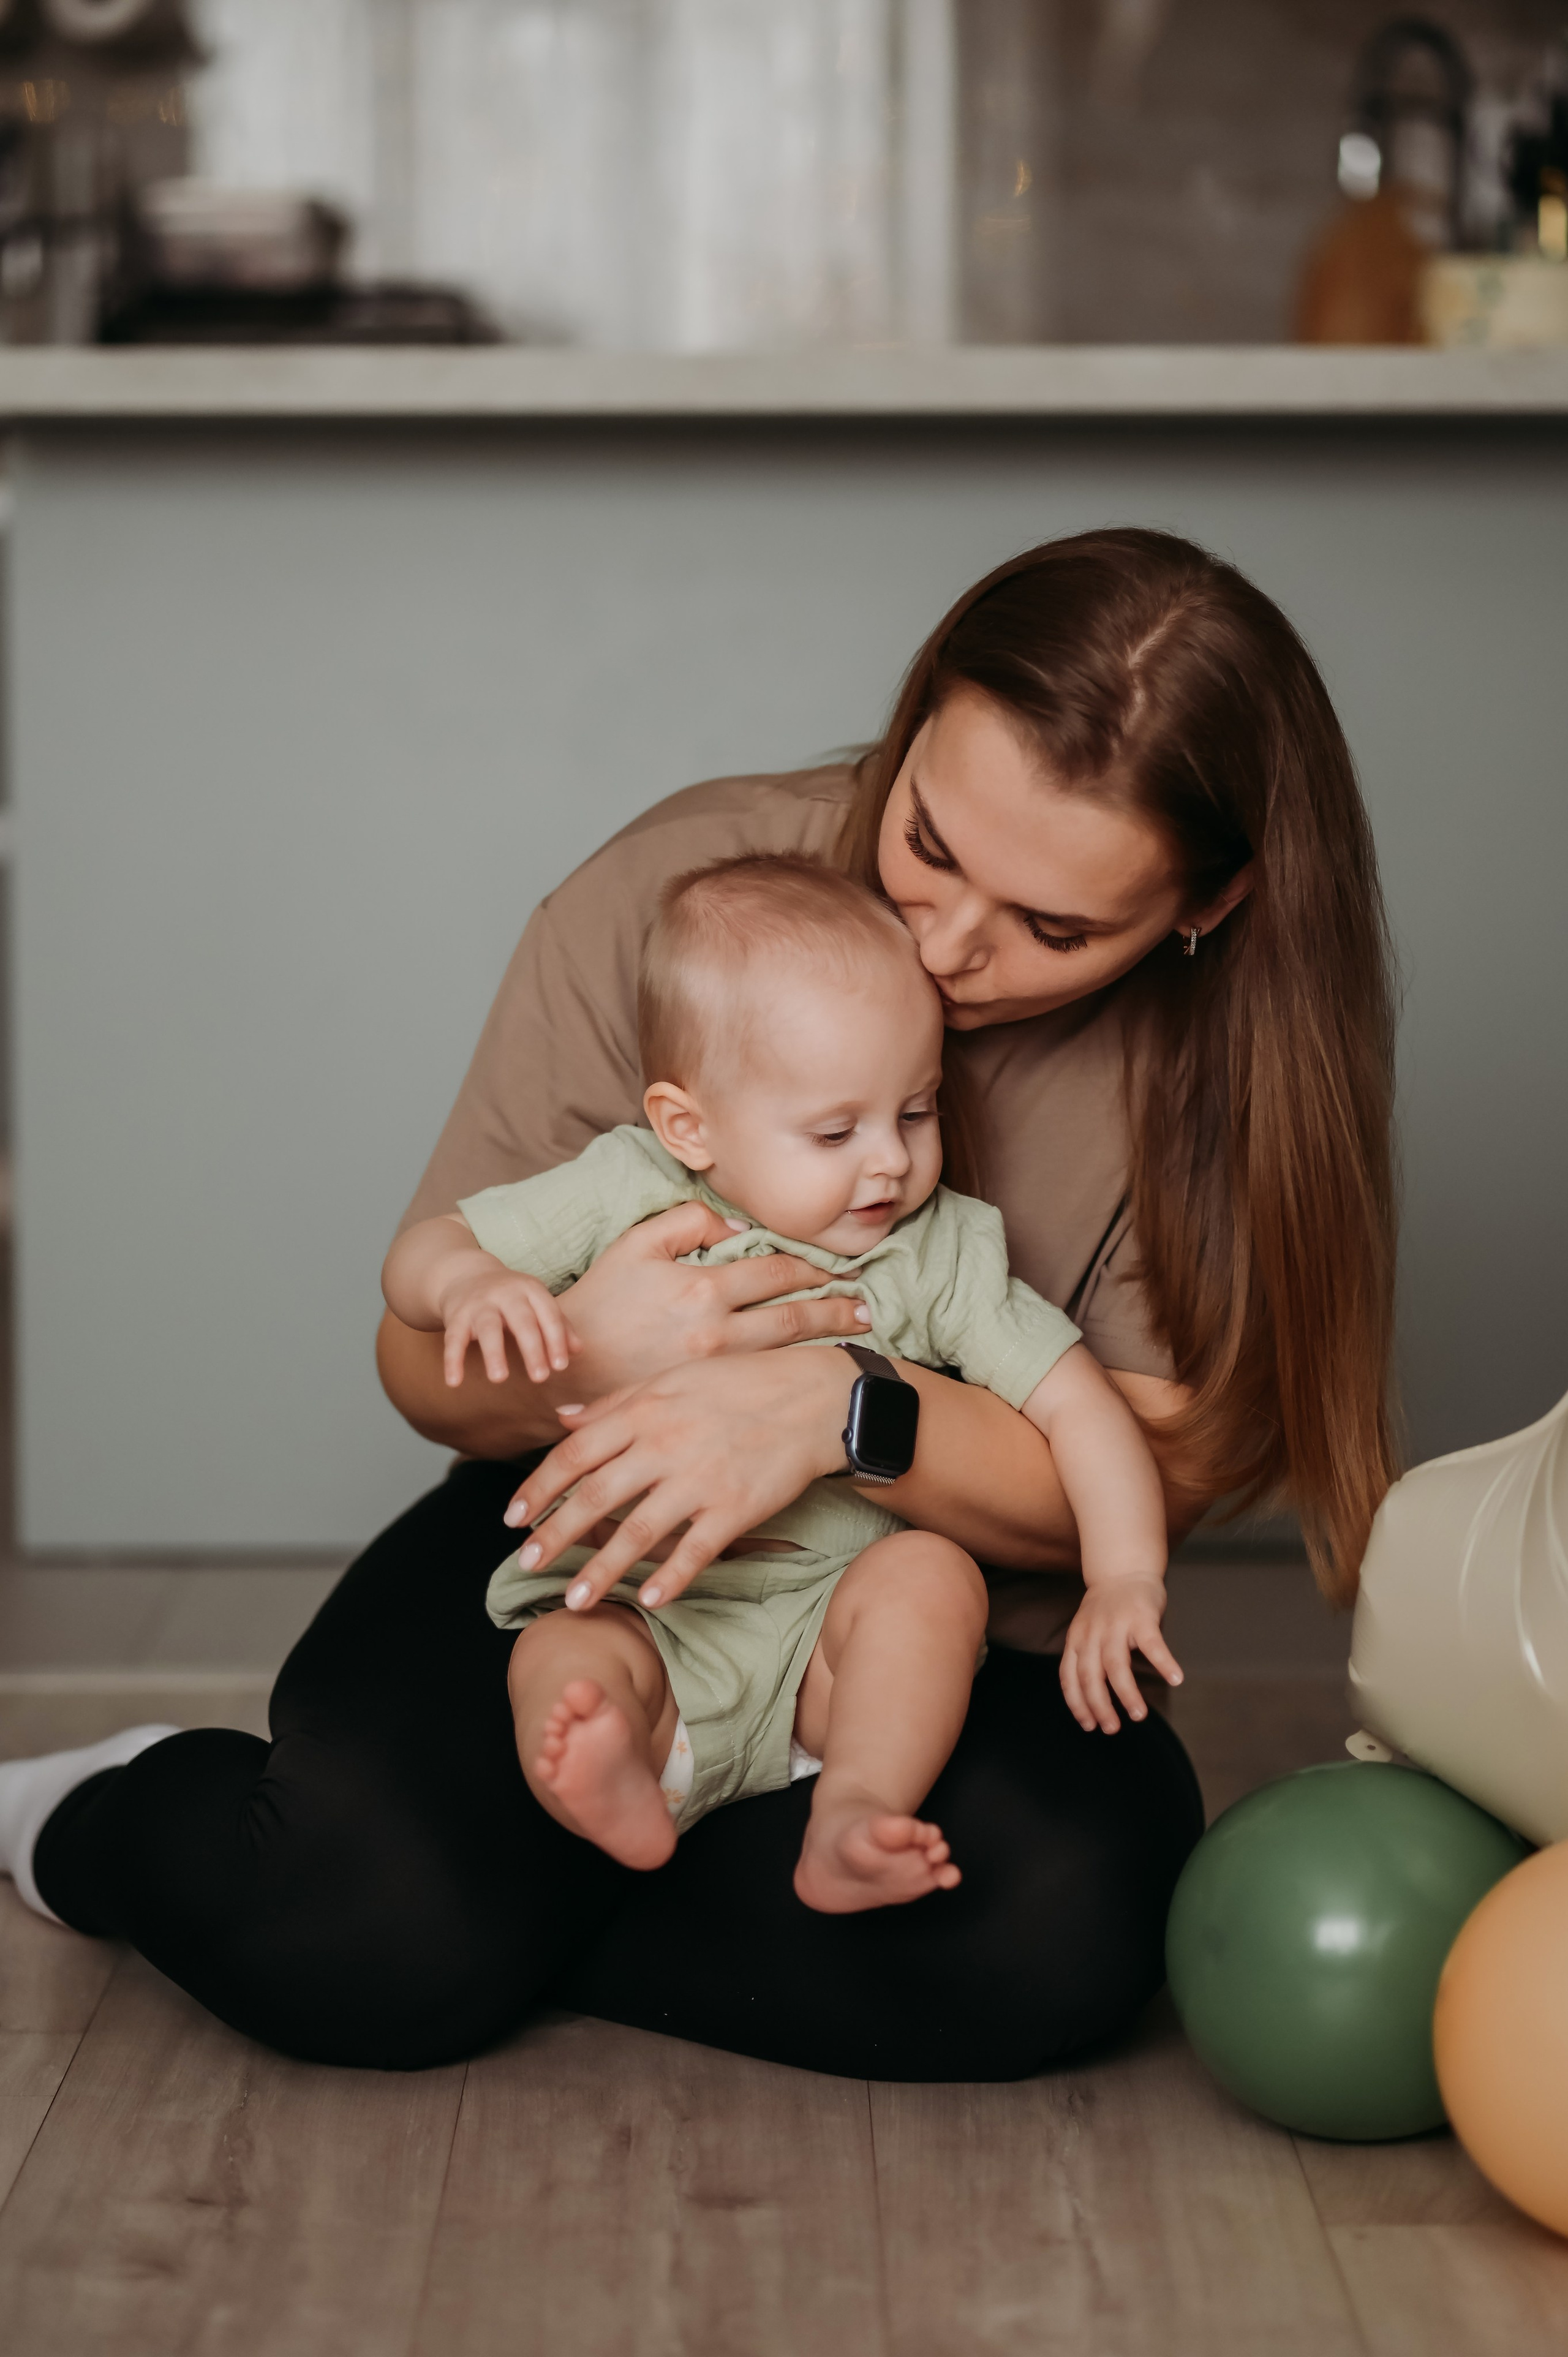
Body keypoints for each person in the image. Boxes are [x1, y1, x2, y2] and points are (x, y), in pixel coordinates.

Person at [0, 529, 1397, 2079]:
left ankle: (488, 1899)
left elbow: (1122, 1487)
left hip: (913, 1631)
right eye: (929, 844)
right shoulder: (686, 896)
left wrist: (829, 1411)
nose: (941, 951)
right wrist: (596, 1354)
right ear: (918, 707)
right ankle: (149, 1815)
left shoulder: (1231, 1087)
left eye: (1053, 929)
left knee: (1065, 1921)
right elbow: (419, 1352)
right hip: (601, 1540)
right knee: (352, 1938)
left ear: (1207, 901)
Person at [383, 856, 1179, 1911]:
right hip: (639, 1594)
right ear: (690, 1128)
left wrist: (1127, 1576)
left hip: (825, 1630)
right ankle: (600, 1758)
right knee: (570, 1651)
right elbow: (417, 1260)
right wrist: (474, 1282)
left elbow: (1079, 1404)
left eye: (917, 1110)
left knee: (934, 1585)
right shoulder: (630, 1186)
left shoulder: (936, 1251)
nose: (889, 1165)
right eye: (835, 1132)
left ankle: (852, 1809)